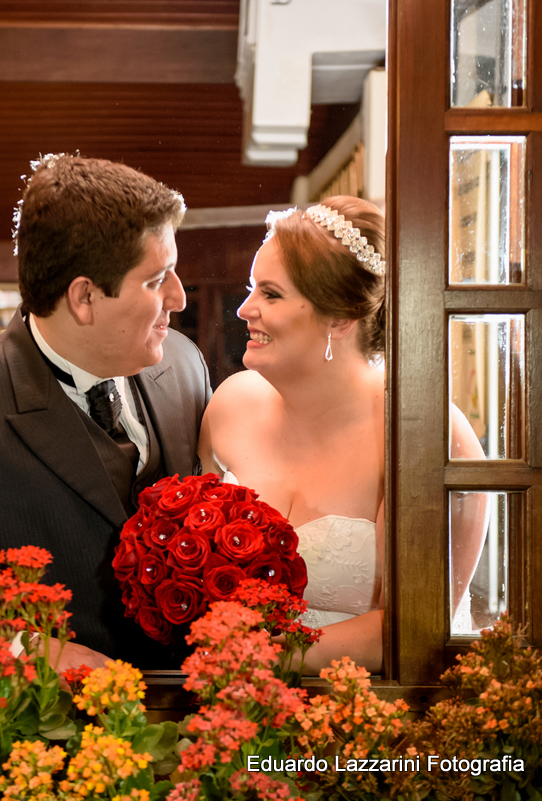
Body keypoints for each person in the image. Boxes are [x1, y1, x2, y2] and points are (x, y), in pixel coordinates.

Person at [198, 196, 486, 674]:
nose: (244, 309)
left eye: (270, 294)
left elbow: (413, 626)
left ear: (340, 317)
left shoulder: (423, 434)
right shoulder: (230, 407)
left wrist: (257, 658)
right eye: (252, 289)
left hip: (377, 715)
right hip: (235, 706)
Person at [0, 154, 211, 671]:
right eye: (158, 280)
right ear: (84, 297)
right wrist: (29, 653)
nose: (179, 297)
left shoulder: (185, 365)